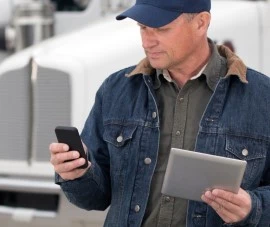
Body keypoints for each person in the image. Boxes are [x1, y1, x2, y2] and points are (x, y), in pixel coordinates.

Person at [49, 0, 270, 226]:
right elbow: (95, 198)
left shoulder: (263, 98)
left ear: (201, 23)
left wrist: (254, 207)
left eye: (161, 29)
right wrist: (78, 174)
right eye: (143, 27)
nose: (147, 41)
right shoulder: (115, 90)